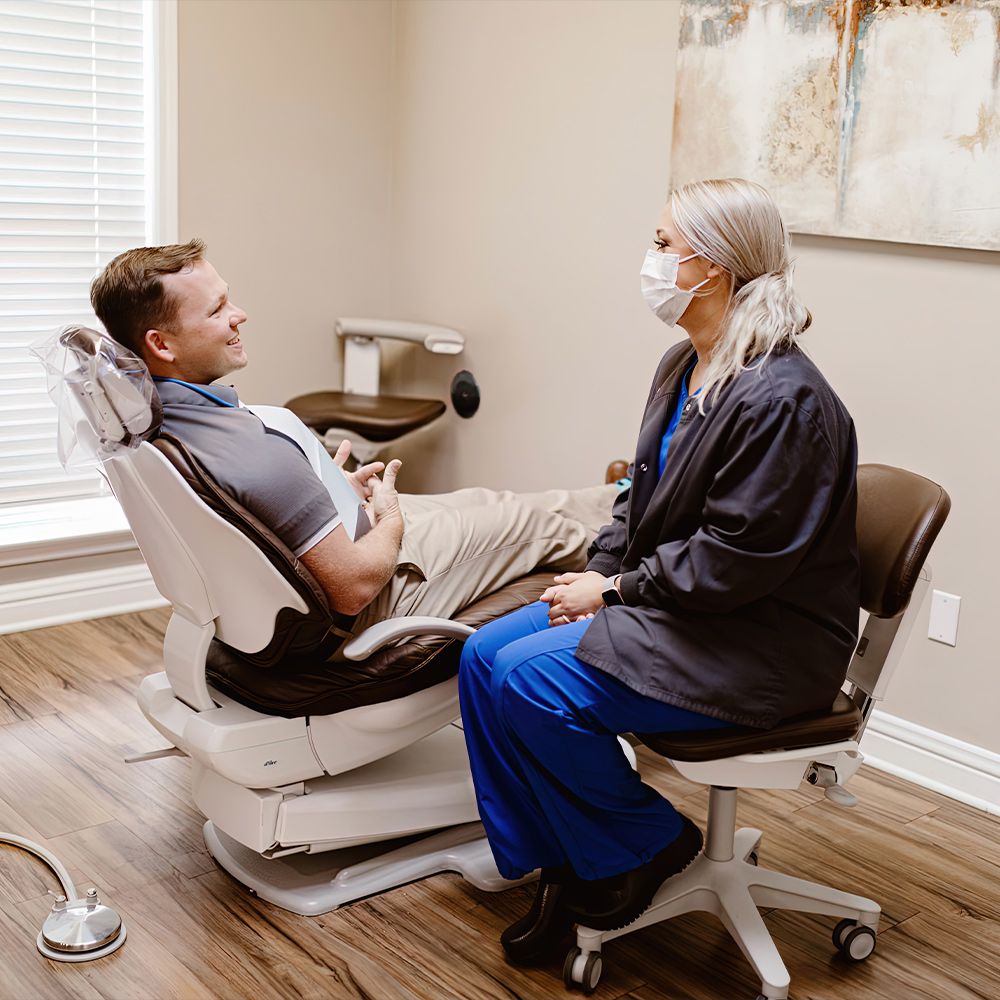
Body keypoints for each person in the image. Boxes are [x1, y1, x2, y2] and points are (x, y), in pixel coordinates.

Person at [457, 178, 860, 964]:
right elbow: (638, 505)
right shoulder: (686, 365)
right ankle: (571, 862)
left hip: (758, 645)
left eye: (665, 244)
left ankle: (644, 843)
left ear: (712, 268)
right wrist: (595, 576)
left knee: (532, 683)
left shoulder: (782, 400)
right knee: (480, 658)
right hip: (681, 611)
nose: (653, 258)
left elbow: (736, 560)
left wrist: (610, 591)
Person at [89, 241, 616, 636]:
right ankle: (652, 566)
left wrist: (326, 488)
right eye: (216, 310)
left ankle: (629, 499)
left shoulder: (162, 420)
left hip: (343, 542)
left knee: (493, 501)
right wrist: (389, 513)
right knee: (543, 527)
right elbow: (353, 587)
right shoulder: (249, 455)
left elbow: (260, 515)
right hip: (378, 592)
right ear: (161, 344)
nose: (239, 314)